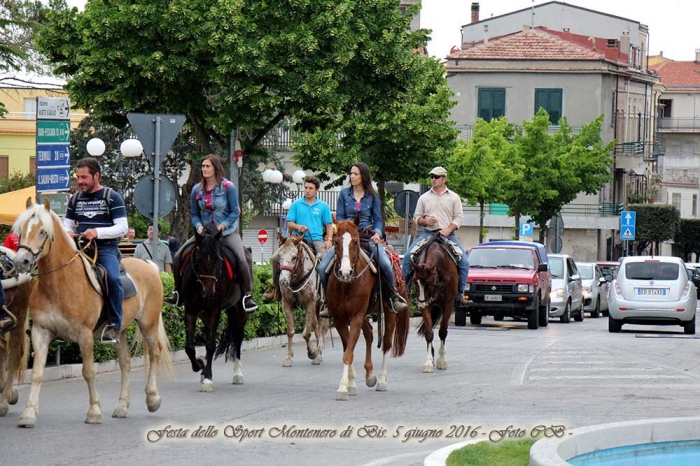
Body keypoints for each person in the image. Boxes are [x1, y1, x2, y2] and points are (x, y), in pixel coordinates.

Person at [166, 154, 258, 312]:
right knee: (177, 257)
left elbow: (235, 211)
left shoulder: (228, 187)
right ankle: (177, 293)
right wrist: (198, 225)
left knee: (243, 260)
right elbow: (194, 214)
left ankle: (247, 296)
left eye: (207, 166)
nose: (204, 169)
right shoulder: (197, 189)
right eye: (202, 166)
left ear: (215, 168)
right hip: (205, 235)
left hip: (226, 232)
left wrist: (223, 225)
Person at [317, 162, 407, 314]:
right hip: (347, 238)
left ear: (363, 176)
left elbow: (378, 219)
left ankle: (392, 298)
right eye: (351, 173)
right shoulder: (344, 194)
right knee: (321, 268)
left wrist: (377, 233)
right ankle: (327, 302)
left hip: (367, 237)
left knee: (385, 264)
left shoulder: (372, 196)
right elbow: (339, 217)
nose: (352, 177)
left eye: (355, 174)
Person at [64, 157, 128, 344]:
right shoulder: (75, 198)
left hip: (105, 249)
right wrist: (68, 232)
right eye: (78, 177)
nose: (80, 181)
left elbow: (123, 227)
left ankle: (115, 325)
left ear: (96, 175)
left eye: (84, 177)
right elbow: (67, 223)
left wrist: (97, 232)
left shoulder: (112, 196)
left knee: (113, 278)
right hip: (80, 248)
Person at [401, 166, 470, 306]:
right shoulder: (424, 197)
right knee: (408, 257)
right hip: (428, 234)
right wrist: (425, 221)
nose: (433, 179)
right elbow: (417, 218)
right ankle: (403, 292)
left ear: (444, 179)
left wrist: (448, 229)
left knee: (465, 262)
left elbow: (458, 218)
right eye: (432, 177)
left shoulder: (454, 197)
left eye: (436, 177)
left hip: (448, 235)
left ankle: (459, 294)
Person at [263, 175, 333, 303]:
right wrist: (298, 226)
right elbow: (290, 223)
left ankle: (327, 295)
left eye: (311, 188)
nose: (307, 190)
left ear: (317, 190)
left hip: (316, 239)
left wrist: (328, 240)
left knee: (326, 263)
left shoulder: (323, 206)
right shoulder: (296, 204)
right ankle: (276, 289)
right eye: (306, 187)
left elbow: (329, 225)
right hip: (296, 239)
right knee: (274, 258)